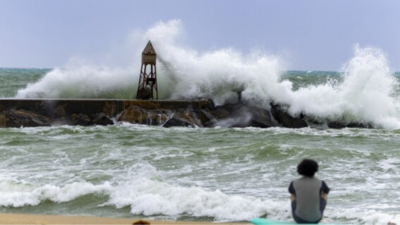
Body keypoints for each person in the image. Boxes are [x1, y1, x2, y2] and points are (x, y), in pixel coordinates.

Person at [288, 159, 330, 224]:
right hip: (316, 219)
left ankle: (301, 212)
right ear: (315, 170)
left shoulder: (294, 183)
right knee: (324, 194)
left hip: (299, 219)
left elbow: (291, 191)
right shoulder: (321, 183)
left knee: (293, 195)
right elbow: (327, 191)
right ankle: (317, 214)